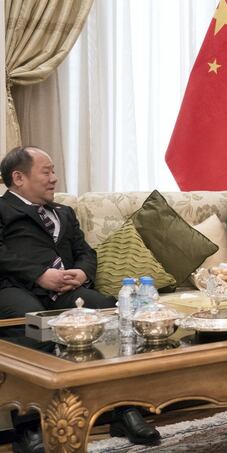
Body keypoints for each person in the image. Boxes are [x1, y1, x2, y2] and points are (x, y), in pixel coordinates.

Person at [0, 146, 160, 452]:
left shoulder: (64, 212)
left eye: (54, 171)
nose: (54, 179)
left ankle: (123, 410)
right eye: (46, 172)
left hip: (65, 292)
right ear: (19, 177)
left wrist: (81, 273)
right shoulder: (1, 209)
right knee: (31, 322)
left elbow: (87, 252)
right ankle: (29, 427)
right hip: (15, 289)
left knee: (109, 309)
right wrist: (38, 274)